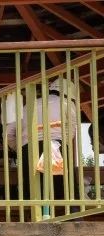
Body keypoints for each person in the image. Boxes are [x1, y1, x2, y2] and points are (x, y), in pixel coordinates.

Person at [5, 77, 83, 218]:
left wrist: (21, 147)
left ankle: (33, 224)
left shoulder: (29, 105)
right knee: (68, 191)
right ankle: (74, 222)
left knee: (32, 193)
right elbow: (70, 133)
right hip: (57, 147)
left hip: (29, 150)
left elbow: (9, 133)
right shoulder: (67, 104)